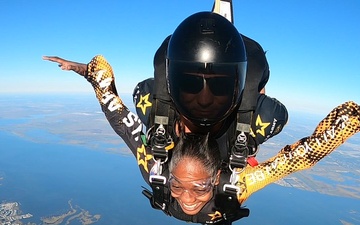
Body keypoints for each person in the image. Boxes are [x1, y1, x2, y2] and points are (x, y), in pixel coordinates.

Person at [43, 52, 360, 224]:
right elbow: (293, 161)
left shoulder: (156, 171)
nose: (188, 196)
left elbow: (117, 117)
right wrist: (345, 125)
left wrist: (89, 72)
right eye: (181, 186)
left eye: (190, 187)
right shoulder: (236, 185)